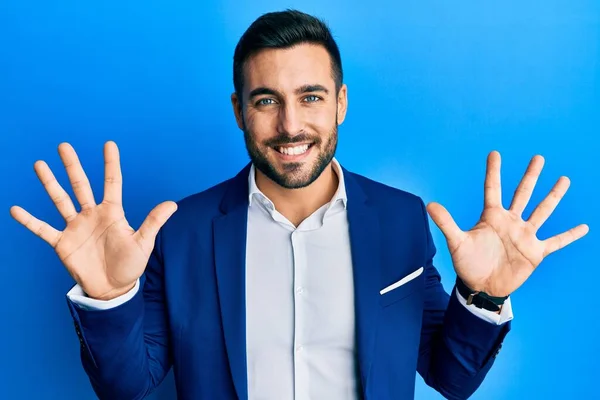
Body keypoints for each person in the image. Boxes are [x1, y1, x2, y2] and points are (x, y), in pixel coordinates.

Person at [10, 9, 589, 400]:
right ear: (239, 110)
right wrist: (109, 299)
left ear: (339, 103)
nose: (291, 126)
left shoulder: (399, 219)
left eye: (310, 97)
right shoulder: (182, 231)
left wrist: (482, 296)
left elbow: (450, 376)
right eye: (267, 101)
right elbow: (128, 385)